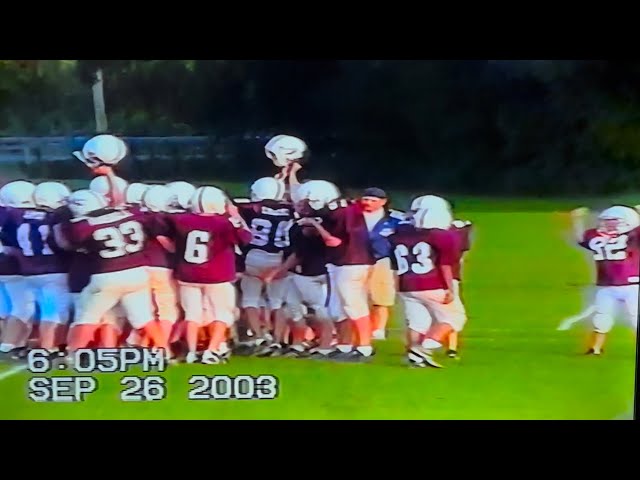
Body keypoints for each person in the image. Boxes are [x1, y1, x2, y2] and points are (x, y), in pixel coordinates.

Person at [571, 205, 639, 355]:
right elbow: (581, 240)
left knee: (636, 319)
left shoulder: (633, 236)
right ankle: (595, 348)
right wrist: (576, 220)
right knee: (602, 317)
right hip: (606, 285)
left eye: (615, 221)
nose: (609, 224)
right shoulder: (596, 237)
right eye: (607, 221)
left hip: (632, 285)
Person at [359, 187, 404, 340]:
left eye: (373, 200)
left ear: (383, 202)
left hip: (382, 260)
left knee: (381, 296)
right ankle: (362, 327)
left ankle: (378, 328)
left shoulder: (394, 219)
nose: (368, 203)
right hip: (357, 260)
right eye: (366, 199)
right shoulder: (353, 216)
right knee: (358, 295)